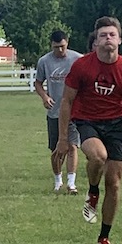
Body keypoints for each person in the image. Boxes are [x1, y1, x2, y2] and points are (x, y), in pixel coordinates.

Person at [54, 16, 122, 244]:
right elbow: (66, 101)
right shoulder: (82, 66)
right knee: (98, 156)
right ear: (96, 40)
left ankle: (104, 238)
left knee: (114, 184)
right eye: (103, 35)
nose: (108, 39)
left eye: (112, 34)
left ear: (119, 40)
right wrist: (63, 138)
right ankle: (93, 190)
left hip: (115, 125)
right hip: (87, 120)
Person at [34, 30, 83, 193]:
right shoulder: (44, 61)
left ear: (67, 43)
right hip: (54, 112)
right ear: (51, 45)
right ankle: (58, 180)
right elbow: (38, 83)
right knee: (56, 149)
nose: (60, 50)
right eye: (56, 47)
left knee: (72, 146)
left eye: (62, 46)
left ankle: (71, 183)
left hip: (74, 112)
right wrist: (44, 97)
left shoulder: (77, 59)